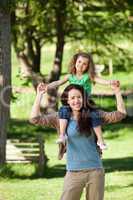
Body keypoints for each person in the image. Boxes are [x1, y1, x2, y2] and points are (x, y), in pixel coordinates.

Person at [29, 83, 126, 200]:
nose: (76, 101)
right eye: (72, 98)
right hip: (73, 172)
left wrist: (117, 91)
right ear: (67, 100)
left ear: (84, 99)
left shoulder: (93, 115)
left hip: (95, 170)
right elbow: (34, 119)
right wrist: (39, 94)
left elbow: (120, 114)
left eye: (79, 97)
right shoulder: (59, 118)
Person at [47, 52, 119, 150]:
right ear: (75, 62)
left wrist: (110, 82)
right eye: (79, 62)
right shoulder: (70, 76)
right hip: (73, 103)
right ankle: (62, 135)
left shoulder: (88, 76)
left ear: (88, 66)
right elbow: (58, 82)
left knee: (94, 114)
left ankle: (100, 140)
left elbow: (100, 80)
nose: (81, 65)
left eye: (84, 64)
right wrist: (47, 86)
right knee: (63, 110)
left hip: (85, 102)